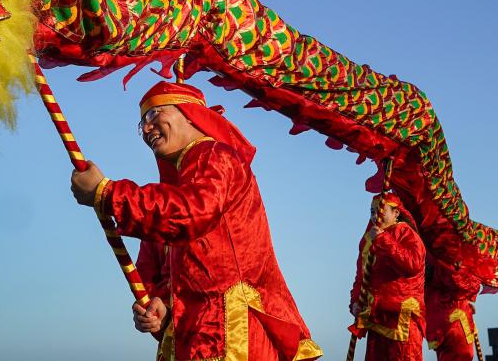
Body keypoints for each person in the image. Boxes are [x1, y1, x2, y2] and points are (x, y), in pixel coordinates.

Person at [70, 81, 322, 361]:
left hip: (232, 331)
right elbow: (159, 270)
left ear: (188, 112)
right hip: (192, 335)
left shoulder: (214, 155)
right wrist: (161, 307)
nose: (147, 129)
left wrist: (106, 192)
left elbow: (192, 212)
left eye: (154, 115)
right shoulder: (172, 192)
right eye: (141, 124)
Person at [348, 192, 426, 361]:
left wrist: (383, 240)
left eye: (380, 211)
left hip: (402, 319)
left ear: (396, 213)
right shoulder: (368, 240)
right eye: (372, 212)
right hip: (376, 318)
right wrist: (355, 301)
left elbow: (413, 265)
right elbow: (361, 277)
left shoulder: (407, 233)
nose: (375, 216)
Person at [425, 258, 478, 361]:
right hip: (454, 321)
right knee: (461, 355)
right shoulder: (447, 258)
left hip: (442, 319)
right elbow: (464, 285)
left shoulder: (430, 255)